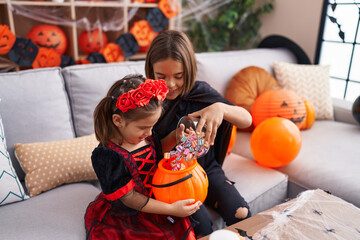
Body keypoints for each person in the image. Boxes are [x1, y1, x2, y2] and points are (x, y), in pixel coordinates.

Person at [145, 30, 253, 237]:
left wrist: (221, 108)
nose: (171, 84)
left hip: (206, 170)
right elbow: (147, 151)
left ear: (190, 69)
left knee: (241, 212)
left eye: (179, 76)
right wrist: (175, 137)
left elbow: (246, 119)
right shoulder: (148, 103)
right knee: (201, 224)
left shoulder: (200, 91)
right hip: (171, 176)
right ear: (151, 71)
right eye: (161, 76)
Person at [84, 74, 202, 240]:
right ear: (118, 120)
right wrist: (170, 209)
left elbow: (158, 152)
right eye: (143, 128)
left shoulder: (146, 135)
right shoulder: (107, 156)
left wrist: (176, 137)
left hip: (158, 197)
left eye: (152, 126)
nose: (149, 132)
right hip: (130, 211)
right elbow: (130, 198)